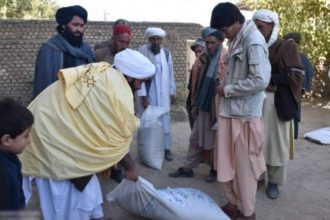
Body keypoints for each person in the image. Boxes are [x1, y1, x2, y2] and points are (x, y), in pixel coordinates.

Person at [20, 49, 156, 220]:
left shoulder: (104, 71)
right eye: (140, 81)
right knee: (63, 203)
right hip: (52, 142)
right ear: (129, 77)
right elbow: (114, 135)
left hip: (59, 133)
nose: (140, 86)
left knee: (86, 194)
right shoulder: (116, 88)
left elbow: (98, 126)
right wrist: (130, 166)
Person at [210, 3, 271, 220]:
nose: (223, 35)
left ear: (237, 22)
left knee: (245, 169)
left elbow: (260, 80)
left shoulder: (253, 41)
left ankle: (248, 213)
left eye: (224, 30)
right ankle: (233, 204)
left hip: (244, 117)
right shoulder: (236, 39)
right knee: (225, 163)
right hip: (230, 113)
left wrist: (227, 90)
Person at [252, 10, 304, 200]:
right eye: (255, 27)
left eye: (261, 28)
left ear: (272, 27)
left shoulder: (286, 46)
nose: (258, 31)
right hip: (256, 101)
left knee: (275, 145)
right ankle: (258, 177)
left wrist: (266, 79)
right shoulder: (256, 45)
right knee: (257, 143)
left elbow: (296, 74)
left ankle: (273, 182)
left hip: (277, 103)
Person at [169, 29, 226, 183]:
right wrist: (194, 103)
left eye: (212, 42)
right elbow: (197, 83)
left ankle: (215, 170)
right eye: (207, 42)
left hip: (218, 107)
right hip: (203, 104)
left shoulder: (225, 58)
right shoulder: (203, 58)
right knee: (195, 137)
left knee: (216, 140)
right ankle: (188, 168)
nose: (209, 45)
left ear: (220, 43)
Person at [94, 19, 132, 183]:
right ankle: (104, 166)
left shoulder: (130, 56)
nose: (124, 45)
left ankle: (117, 168)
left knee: (120, 136)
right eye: (121, 41)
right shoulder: (101, 54)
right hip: (103, 102)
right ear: (114, 38)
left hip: (121, 103)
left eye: (127, 42)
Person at [33, 5, 94, 97]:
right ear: (63, 25)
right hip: (58, 103)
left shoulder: (86, 49)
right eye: (75, 25)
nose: (79, 29)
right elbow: (43, 84)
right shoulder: (50, 49)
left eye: (82, 26)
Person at [138, 27, 176, 161]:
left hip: (164, 94)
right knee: (150, 123)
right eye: (153, 39)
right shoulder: (142, 52)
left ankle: (166, 149)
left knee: (165, 122)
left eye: (158, 39)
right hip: (150, 94)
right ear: (149, 39)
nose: (155, 41)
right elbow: (139, 76)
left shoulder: (166, 53)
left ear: (161, 40)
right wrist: (143, 97)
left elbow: (171, 74)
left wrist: (172, 91)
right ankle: (148, 150)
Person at [0, 97, 34, 211]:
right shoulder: (4, 175)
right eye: (26, 135)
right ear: (7, 140)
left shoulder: (10, 157)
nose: (29, 140)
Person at [283, 32, 314, 139]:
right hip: (298, 88)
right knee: (295, 111)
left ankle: (292, 135)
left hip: (292, 88)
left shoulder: (294, 56)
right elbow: (310, 71)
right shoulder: (302, 56)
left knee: (292, 111)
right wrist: (305, 87)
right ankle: (294, 135)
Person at [186, 37, 205, 129]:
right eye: (196, 52)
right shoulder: (195, 66)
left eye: (200, 51)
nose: (197, 54)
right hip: (193, 102)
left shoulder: (210, 66)